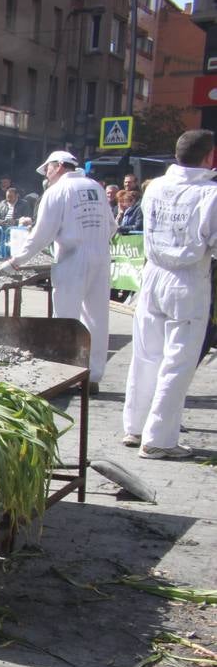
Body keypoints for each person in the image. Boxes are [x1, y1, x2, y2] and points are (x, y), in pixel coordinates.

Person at [121, 130, 217, 459]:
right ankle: (159, 439)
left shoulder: (156, 186)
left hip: (153, 275)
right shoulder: (210, 194)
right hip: (187, 279)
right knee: (178, 360)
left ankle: (134, 426)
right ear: (210, 157)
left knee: (146, 353)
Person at [2, 150, 115, 387]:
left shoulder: (57, 191)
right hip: (102, 257)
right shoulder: (95, 186)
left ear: (60, 166)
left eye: (48, 169)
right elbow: (112, 225)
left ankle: (65, 375)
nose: (47, 174)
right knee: (97, 318)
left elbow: (42, 233)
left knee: (65, 317)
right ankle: (92, 376)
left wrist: (16, 261)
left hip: (72, 258)